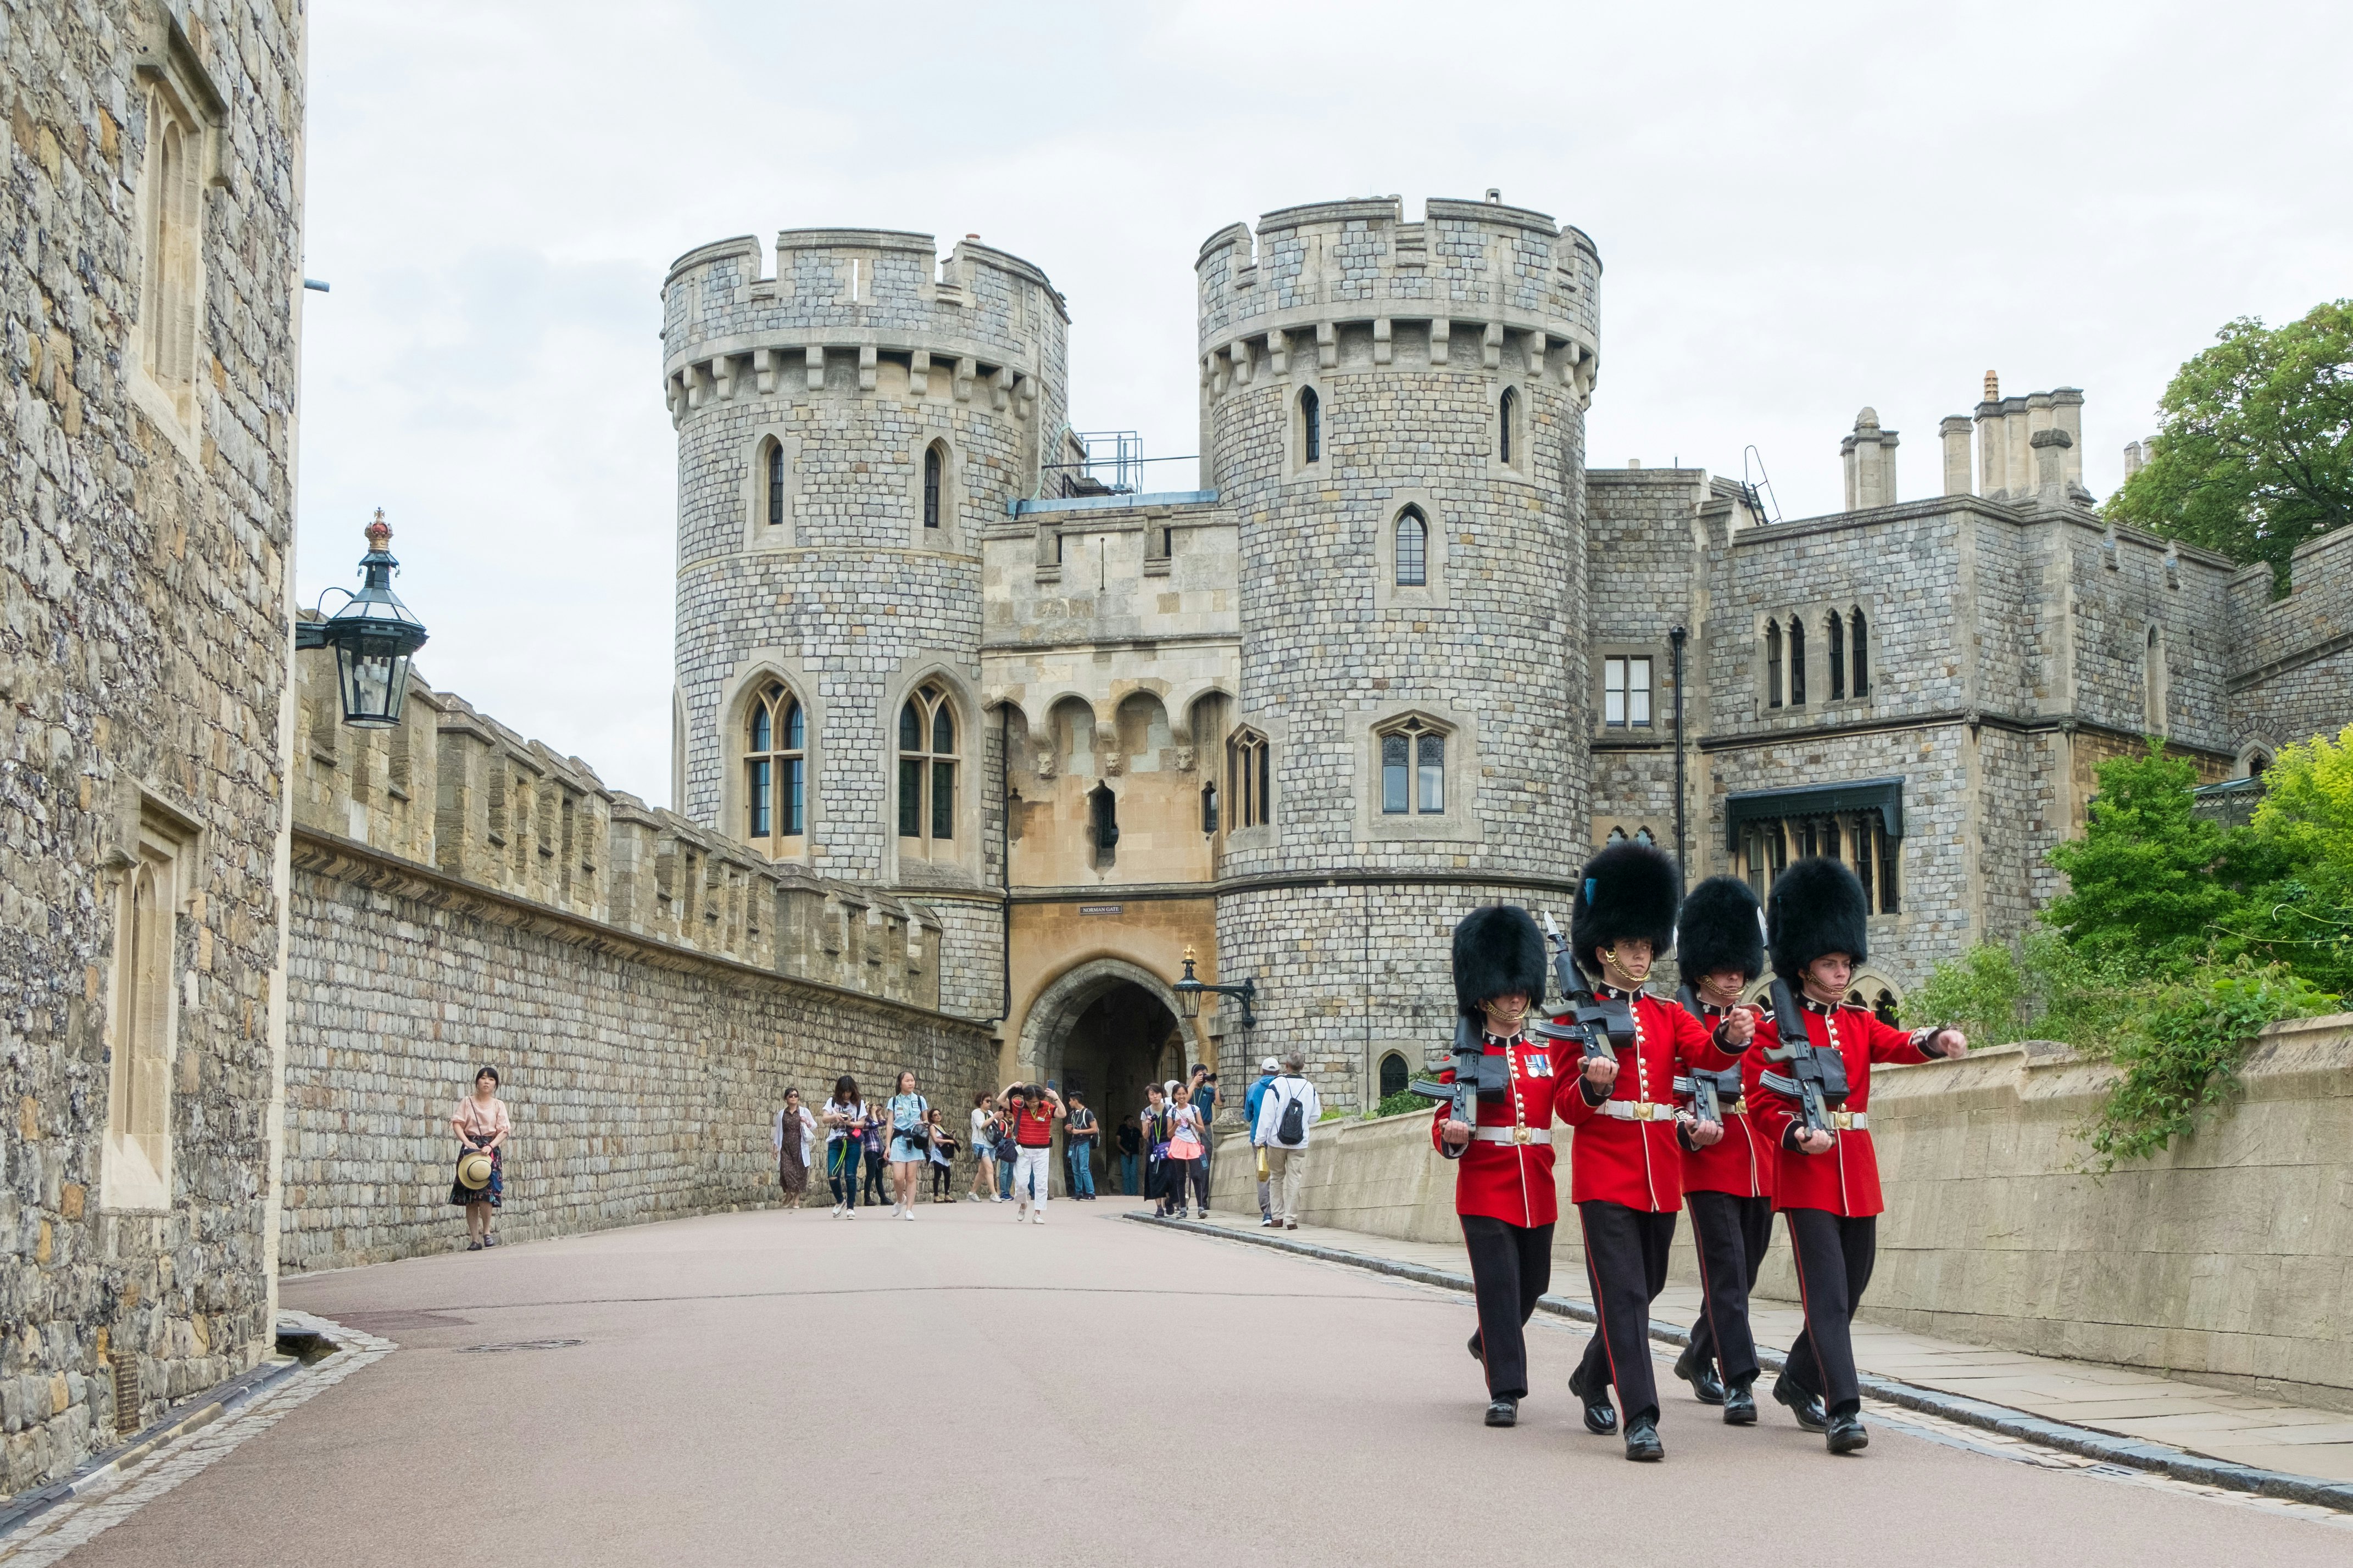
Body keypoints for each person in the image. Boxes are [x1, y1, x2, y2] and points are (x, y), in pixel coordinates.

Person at [1745, 857, 1966, 1456]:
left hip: (1855, 1172)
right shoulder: (1772, 1031)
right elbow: (1761, 1101)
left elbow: (1899, 1043)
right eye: (1829, 963)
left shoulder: (1856, 1022)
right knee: (1828, 1296)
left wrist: (1937, 1039)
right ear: (1803, 965)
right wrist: (1794, 1135)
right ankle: (1843, 1408)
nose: (1841, 972)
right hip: (1807, 1173)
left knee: (1854, 1286)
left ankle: (1796, 1376)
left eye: (1845, 962)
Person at [1556, 841, 1756, 1462]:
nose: (1642, 955)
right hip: (1603, 1175)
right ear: (1604, 950)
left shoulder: (1670, 1013)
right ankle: (1640, 1416)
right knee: (1622, 1296)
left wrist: (1727, 1035)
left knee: (1645, 1288)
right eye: (1632, 946)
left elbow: (1706, 1055)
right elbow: (1563, 1105)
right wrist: (1591, 1085)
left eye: (1647, 946)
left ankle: (1592, 1375)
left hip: (1658, 1173)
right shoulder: (1577, 1017)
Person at [1433, 907, 1563, 1428]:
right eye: (1505, 991)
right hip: (1485, 1186)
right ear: (1483, 994)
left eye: (1520, 990)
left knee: (1534, 1283)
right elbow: (1443, 1118)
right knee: (1500, 1287)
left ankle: (1486, 1338)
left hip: (1538, 1184)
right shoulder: (1464, 1056)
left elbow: (1571, 1102)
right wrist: (1451, 1134)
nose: (1515, 998)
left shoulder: (1545, 1052)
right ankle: (1505, 1389)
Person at [1667, 875, 1775, 1425]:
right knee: (1727, 1270)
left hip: (1758, 1158)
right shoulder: (1678, 1022)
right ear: (1702, 967)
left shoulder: (1758, 1024)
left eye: (1741, 967)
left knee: (1744, 1270)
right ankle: (1739, 1378)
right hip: (1705, 1157)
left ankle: (1694, 1354)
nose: (1735, 976)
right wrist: (1686, 1124)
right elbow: (1662, 1093)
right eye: (1725, 967)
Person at [1254, 1054, 1320, 1230]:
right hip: (1299, 1142)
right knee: (1295, 1178)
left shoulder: (1276, 1085)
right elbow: (1315, 1116)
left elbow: (1267, 1115)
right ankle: (1292, 1219)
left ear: (1287, 1065)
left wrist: (1259, 1139)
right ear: (1303, 1066)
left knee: (1276, 1178)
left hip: (1276, 1141)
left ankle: (1277, 1217)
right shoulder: (1309, 1087)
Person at [449, 1066, 511, 1251]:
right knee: (470, 1197)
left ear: (496, 1084)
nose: (487, 1082)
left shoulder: (498, 1105)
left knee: (486, 1194)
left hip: (490, 1150)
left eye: (491, 1079)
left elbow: (504, 1130)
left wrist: (491, 1146)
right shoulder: (467, 1102)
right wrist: (467, 1142)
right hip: (471, 1150)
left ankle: (487, 1232)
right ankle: (475, 1239)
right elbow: (457, 1123)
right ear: (477, 1081)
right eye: (483, 1078)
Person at [1002, 1080, 1065, 1224]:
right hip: (1023, 1149)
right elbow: (1000, 1100)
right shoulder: (1019, 1107)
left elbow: (1062, 1113)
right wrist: (1012, 1087)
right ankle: (1023, 1204)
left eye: (1036, 1102)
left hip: (1042, 1150)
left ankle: (1038, 1213)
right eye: (1030, 1101)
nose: (1033, 1104)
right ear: (1025, 1099)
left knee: (1041, 1183)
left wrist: (1056, 1097)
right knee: (1021, 1183)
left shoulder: (1048, 1107)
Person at [884, 1069, 931, 1221]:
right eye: (907, 1081)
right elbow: (890, 1124)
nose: (911, 1083)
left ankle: (909, 1209)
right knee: (898, 1177)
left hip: (915, 1140)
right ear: (900, 1083)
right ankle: (900, 1199)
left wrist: (923, 1124)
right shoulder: (894, 1101)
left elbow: (926, 1121)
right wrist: (888, 1145)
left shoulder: (920, 1100)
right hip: (899, 1139)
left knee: (911, 1176)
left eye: (913, 1080)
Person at [821, 1076, 870, 1218]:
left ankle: (850, 1207)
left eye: (848, 1092)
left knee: (850, 1175)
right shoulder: (833, 1101)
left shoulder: (859, 1103)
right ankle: (840, 1200)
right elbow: (824, 1118)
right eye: (844, 1091)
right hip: (836, 1141)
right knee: (832, 1174)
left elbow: (862, 1123)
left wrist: (850, 1123)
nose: (846, 1094)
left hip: (852, 1142)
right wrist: (836, 1116)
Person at [1162, 1079, 1208, 1218]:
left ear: (1187, 1094)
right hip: (1178, 1144)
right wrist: (1176, 1125)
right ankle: (1183, 1208)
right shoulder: (1172, 1112)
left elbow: (1203, 1130)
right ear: (1174, 1096)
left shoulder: (1195, 1109)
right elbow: (1169, 1134)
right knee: (1181, 1177)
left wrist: (1193, 1123)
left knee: (1196, 1175)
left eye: (1184, 1094)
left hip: (1193, 1144)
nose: (1181, 1097)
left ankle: (1200, 1207)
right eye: (1178, 1094)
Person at [1243, 1056, 1281, 1225]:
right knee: (1278, 1175)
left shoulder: (1254, 1088)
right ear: (1278, 1072)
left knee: (1263, 1174)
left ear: (1262, 1071)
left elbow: (1248, 1116)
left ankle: (1268, 1212)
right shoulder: (1281, 1087)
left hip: (1259, 1139)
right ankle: (1280, 1211)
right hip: (1279, 1138)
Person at [772, 1087, 816, 1208]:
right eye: (791, 1096)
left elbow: (814, 1125)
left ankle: (796, 1200)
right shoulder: (782, 1114)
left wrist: (807, 1122)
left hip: (800, 1146)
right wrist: (776, 1146)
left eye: (796, 1096)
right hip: (786, 1146)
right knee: (785, 1172)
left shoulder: (803, 1111)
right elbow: (778, 1131)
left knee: (801, 1174)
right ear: (786, 1098)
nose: (793, 1098)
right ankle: (788, 1194)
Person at [1187, 1065, 1221, 1210]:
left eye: (1205, 1074)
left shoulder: (1208, 1090)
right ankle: (1185, 1200)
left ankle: (1203, 1199)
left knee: (1205, 1164)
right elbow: (1183, 1100)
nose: (1203, 1077)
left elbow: (1219, 1103)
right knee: (1189, 1165)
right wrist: (1194, 1083)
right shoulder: (1188, 1090)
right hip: (1189, 1128)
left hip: (1205, 1127)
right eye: (1200, 1075)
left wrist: (1215, 1085)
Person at [1142, 1083, 1175, 1215]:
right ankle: (1159, 1208)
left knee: (1169, 1176)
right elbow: (1145, 1136)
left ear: (1162, 1094)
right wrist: (1149, 1126)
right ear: (1148, 1097)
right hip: (1154, 1149)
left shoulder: (1170, 1109)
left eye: (1157, 1093)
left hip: (1169, 1147)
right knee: (1155, 1177)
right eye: (1151, 1094)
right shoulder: (1146, 1113)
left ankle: (1169, 1200)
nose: (1155, 1096)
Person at [1064, 1092, 1099, 1199]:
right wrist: (1067, 1129)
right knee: (1076, 1169)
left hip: (1084, 1143)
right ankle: (1079, 1192)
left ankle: (1090, 1193)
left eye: (1071, 1100)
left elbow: (1095, 1129)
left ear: (1076, 1100)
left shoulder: (1088, 1113)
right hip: (1074, 1144)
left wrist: (1079, 1131)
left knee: (1084, 1168)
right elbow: (1070, 1129)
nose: (1070, 1103)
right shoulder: (1072, 1114)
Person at [969, 1092, 1002, 1202]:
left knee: (982, 1171)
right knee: (990, 1169)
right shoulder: (976, 1113)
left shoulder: (991, 1113)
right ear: (981, 1101)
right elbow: (982, 1125)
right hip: (980, 1143)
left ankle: (972, 1193)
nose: (989, 1104)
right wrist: (993, 1117)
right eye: (987, 1101)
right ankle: (994, 1194)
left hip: (990, 1144)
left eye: (991, 1101)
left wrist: (999, 1119)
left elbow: (996, 1128)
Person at [925, 1108, 958, 1202]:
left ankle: (947, 1195)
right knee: (938, 1174)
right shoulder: (932, 1127)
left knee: (948, 1174)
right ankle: (936, 1196)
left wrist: (950, 1136)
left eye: (939, 1114)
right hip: (937, 1153)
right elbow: (935, 1139)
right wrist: (949, 1141)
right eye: (935, 1115)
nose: (938, 1116)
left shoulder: (941, 1127)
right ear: (932, 1117)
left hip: (944, 1153)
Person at [1115, 1114, 1141, 1197]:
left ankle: (1134, 1192)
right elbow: (1118, 1143)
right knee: (1126, 1174)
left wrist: (1142, 1149)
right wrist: (1125, 1151)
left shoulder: (1137, 1131)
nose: (1131, 1122)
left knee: (1133, 1173)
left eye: (1132, 1120)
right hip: (1124, 1154)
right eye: (1129, 1120)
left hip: (1134, 1154)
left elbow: (1141, 1141)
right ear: (1125, 1122)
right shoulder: (1122, 1130)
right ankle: (1127, 1193)